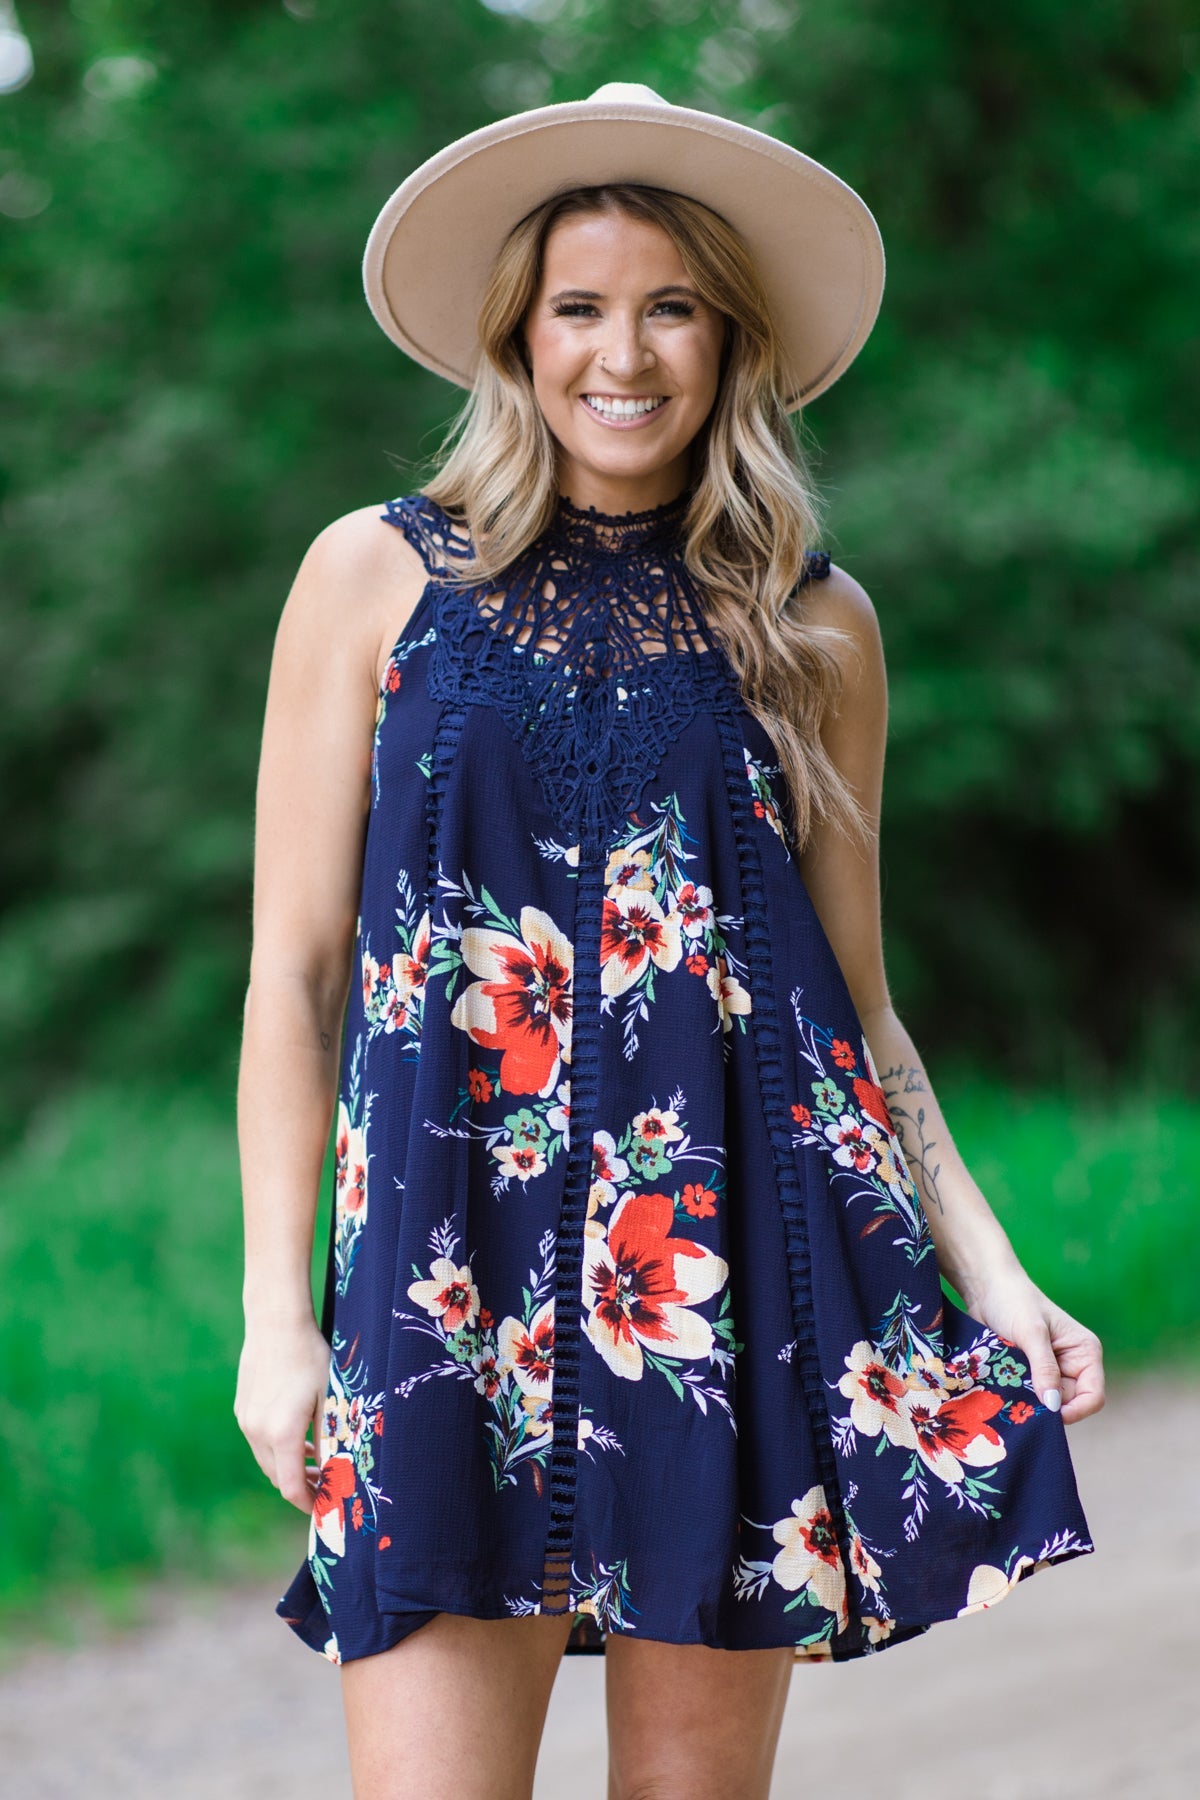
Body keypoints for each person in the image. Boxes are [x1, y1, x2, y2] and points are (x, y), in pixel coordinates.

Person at [235, 82, 1105, 1800]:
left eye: (670, 307)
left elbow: (855, 1006)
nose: (619, 354)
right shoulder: (372, 579)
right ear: (518, 335)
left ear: (728, 342)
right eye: (579, 306)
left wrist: (995, 1275)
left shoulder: (814, 626)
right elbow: (298, 974)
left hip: (713, 1304)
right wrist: (279, 1316)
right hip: (438, 1293)